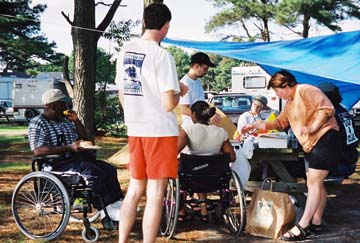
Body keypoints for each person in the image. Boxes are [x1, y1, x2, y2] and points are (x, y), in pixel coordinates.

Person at [115, 3, 188, 243]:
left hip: (136, 128)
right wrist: (181, 90)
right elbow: (168, 103)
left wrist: (135, 114)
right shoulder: (161, 55)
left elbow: (122, 93)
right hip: (160, 131)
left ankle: (122, 240)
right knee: (156, 194)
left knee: (134, 191)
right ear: (166, 26)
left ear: (145, 22)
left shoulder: (125, 51)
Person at [241, 70, 340, 241]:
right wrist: (256, 125)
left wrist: (312, 127)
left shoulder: (305, 90)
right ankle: (316, 222)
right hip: (310, 144)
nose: (276, 94)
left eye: (276, 90)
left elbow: (326, 109)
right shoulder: (289, 103)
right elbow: (279, 123)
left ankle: (303, 225)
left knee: (313, 183)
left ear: (285, 86)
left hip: (325, 138)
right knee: (316, 184)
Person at [28, 89, 124, 229]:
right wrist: (69, 148)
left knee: (108, 169)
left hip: (74, 160)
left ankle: (115, 206)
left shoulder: (65, 121)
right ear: (53, 106)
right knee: (92, 172)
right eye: (63, 104)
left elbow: (84, 138)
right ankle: (104, 209)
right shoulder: (38, 123)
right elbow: (38, 151)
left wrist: (76, 120)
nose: (67, 107)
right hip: (55, 164)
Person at [178, 100, 236, 222]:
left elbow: (174, 151)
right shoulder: (220, 132)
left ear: (193, 114)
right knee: (204, 168)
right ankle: (204, 210)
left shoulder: (188, 129)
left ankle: (181, 210)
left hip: (191, 176)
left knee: (183, 169)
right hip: (214, 178)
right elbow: (232, 157)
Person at [318, 82, 359, 177]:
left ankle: (311, 190)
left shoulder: (329, 114)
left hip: (339, 165)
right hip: (350, 161)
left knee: (293, 167)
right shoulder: (343, 111)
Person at [179, 52, 217, 125]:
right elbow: (183, 109)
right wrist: (206, 116)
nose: (206, 72)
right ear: (196, 66)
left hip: (200, 126)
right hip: (191, 128)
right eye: (204, 69)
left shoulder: (198, 82)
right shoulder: (185, 83)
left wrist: (211, 114)